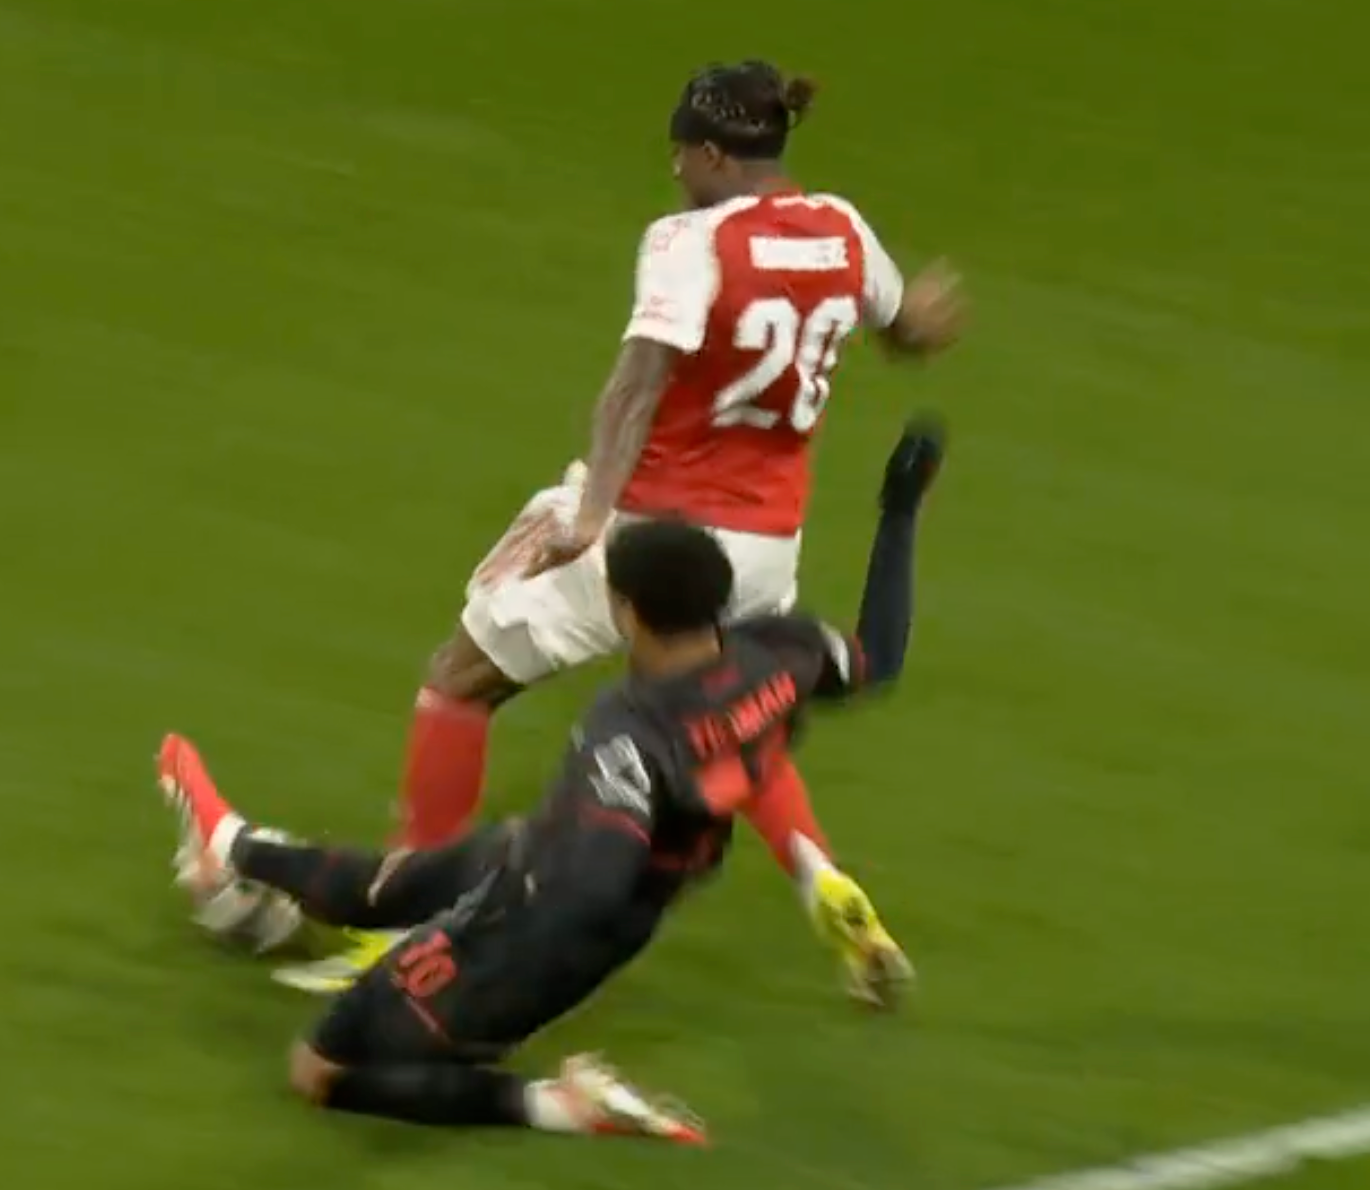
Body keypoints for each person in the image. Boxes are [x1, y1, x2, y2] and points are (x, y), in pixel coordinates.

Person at [278, 59, 964, 993]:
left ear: (716, 153)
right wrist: (926, 318)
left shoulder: (689, 242)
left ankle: (402, 929)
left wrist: (593, 513)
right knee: (726, 716)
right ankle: (823, 878)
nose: (675, 168)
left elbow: (636, 384)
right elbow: (906, 329)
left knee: (458, 681)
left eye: (683, 152)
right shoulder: (842, 231)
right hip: (766, 549)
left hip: (656, 540)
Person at [154, 419, 946, 1141]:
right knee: (393, 882)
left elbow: (588, 885)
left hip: (529, 938)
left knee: (319, 1073)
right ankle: (234, 846)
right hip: (549, 864)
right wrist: (901, 510)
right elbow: (877, 657)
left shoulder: (628, 731)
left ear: (629, 612)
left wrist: (478, 927)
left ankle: (562, 1106)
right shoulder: (782, 649)